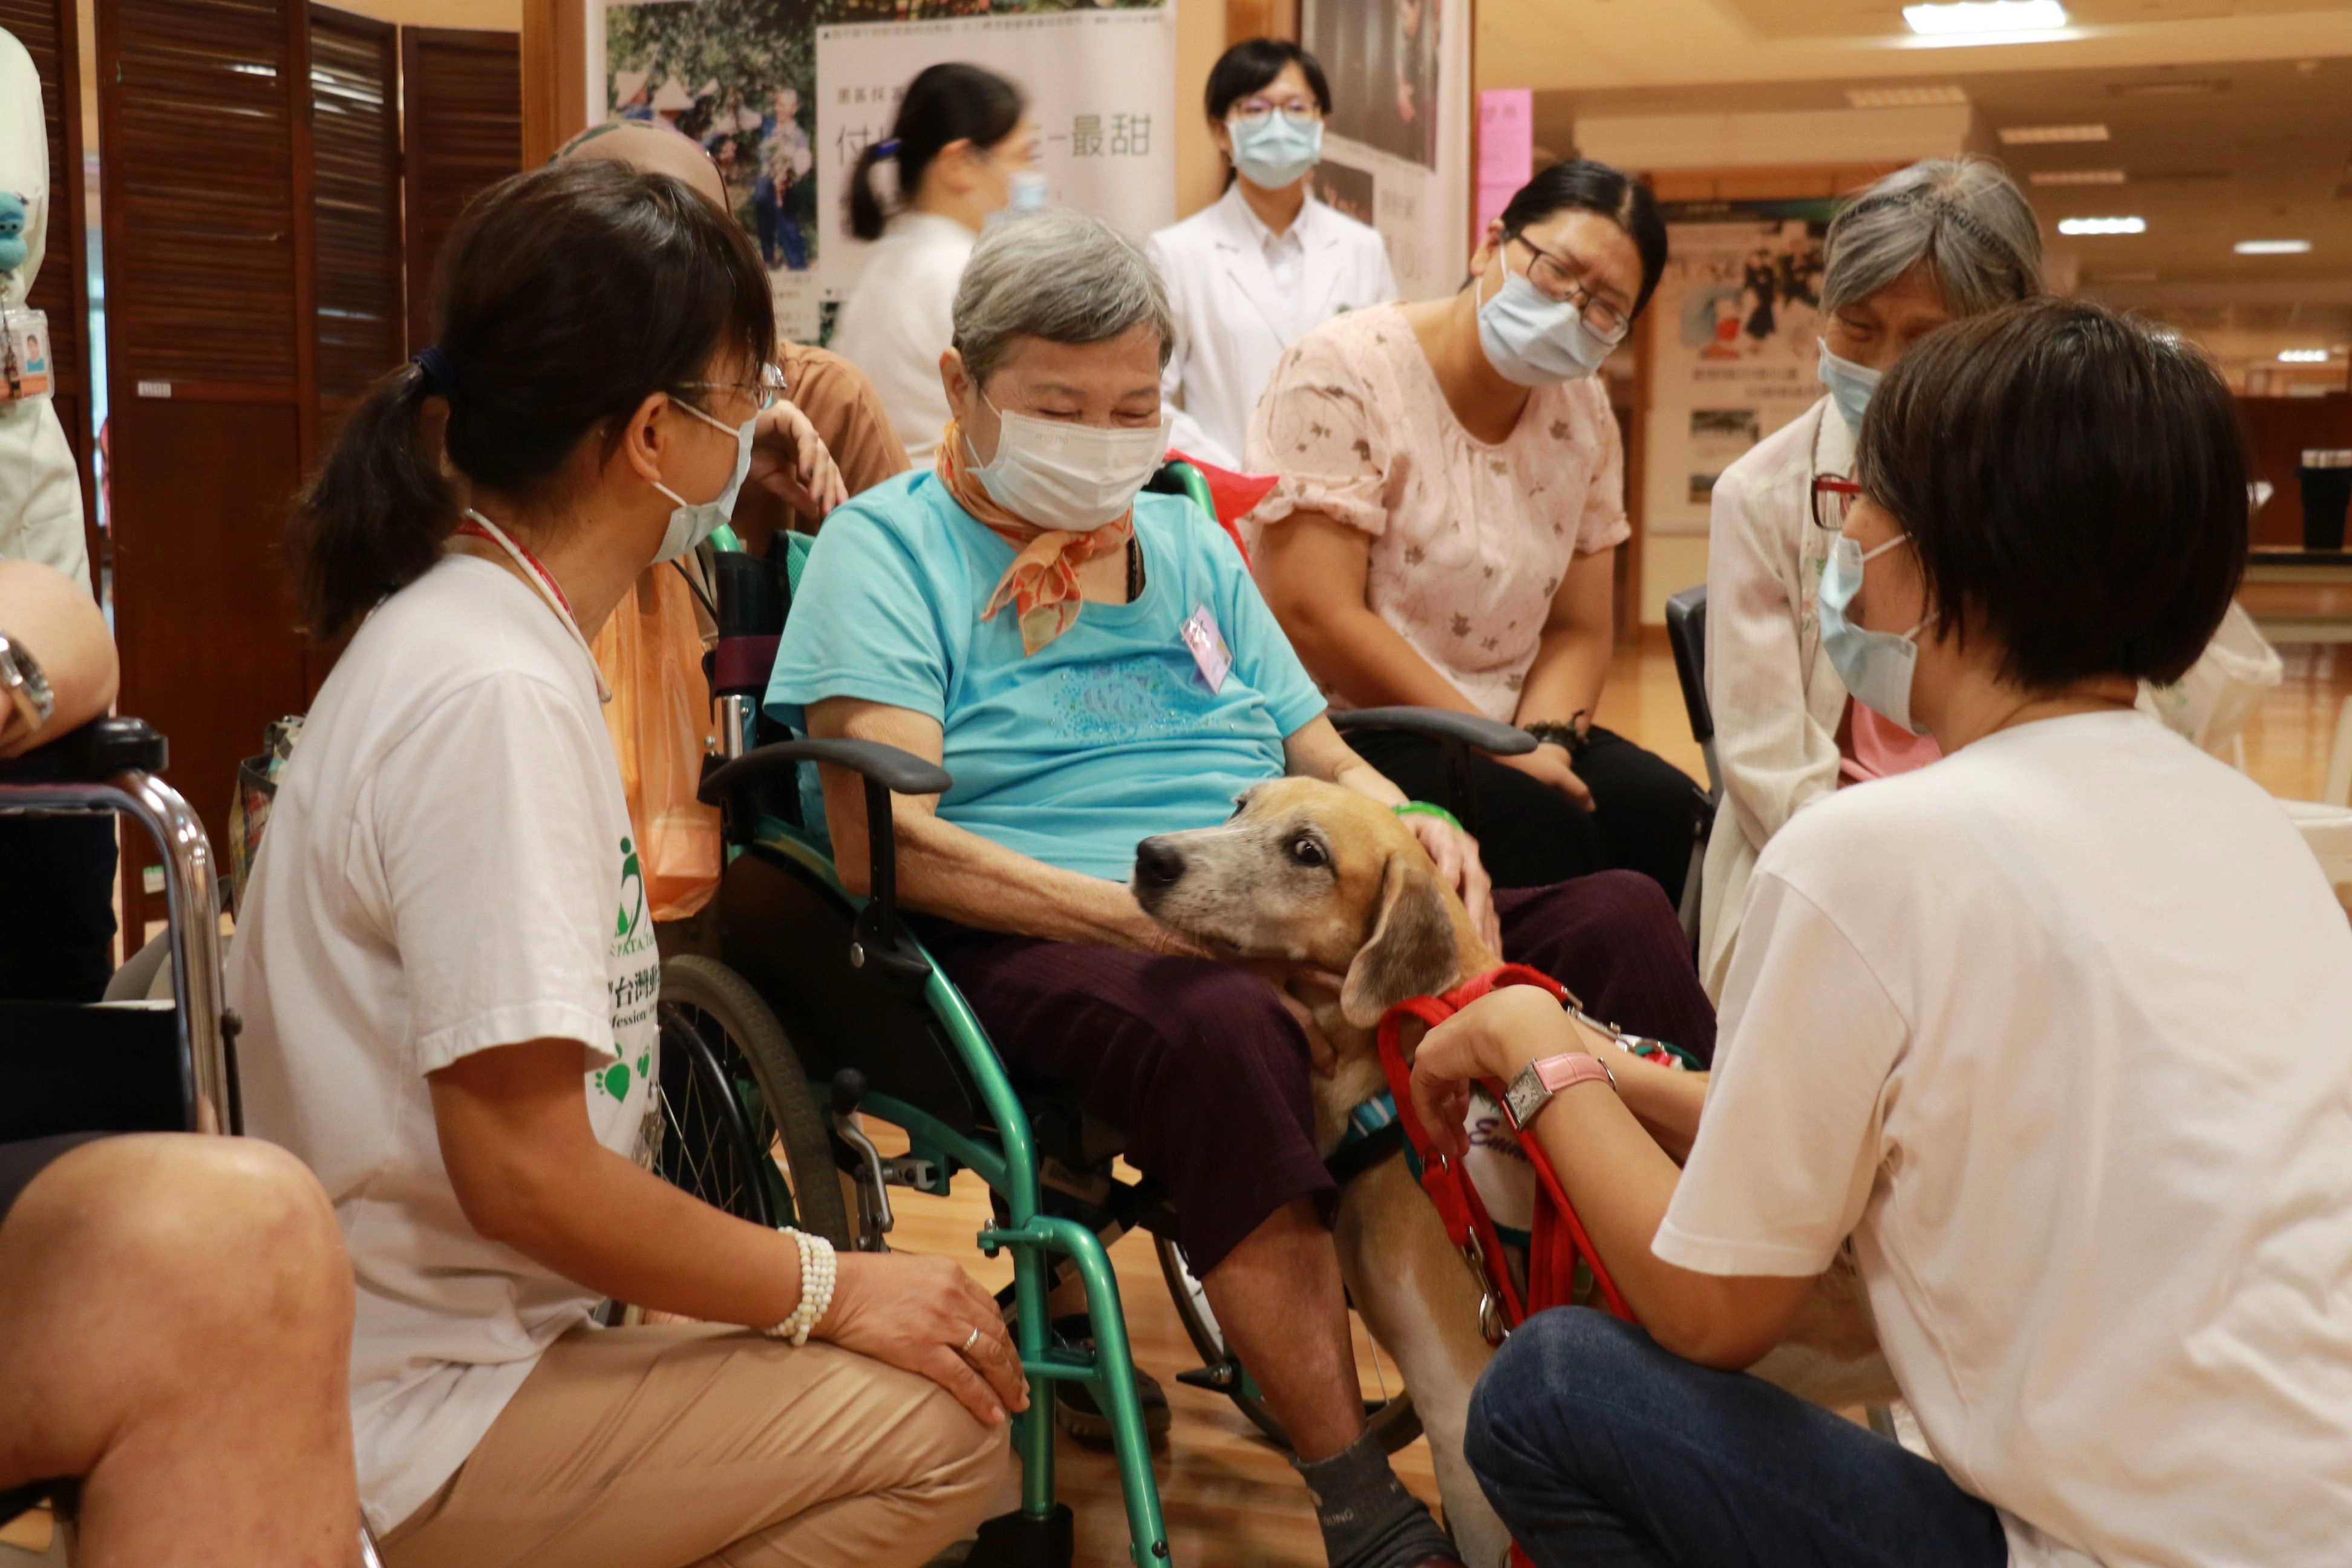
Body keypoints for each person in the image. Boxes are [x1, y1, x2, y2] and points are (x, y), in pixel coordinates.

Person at [768, 210, 1717, 1568]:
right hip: (1055, 927)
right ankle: (1358, 1497)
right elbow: (891, 848)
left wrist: (1423, 825)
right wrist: (1169, 929)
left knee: (1617, 914)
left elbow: (1323, 751)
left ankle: (1672, 1339)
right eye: (1059, 405)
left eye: (1133, 403)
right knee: (1230, 1030)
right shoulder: (889, 550)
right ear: (966, 388)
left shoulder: (1193, 548)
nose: (1105, 433)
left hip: (1281, 889)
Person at [1414, 299, 2352, 1568]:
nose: (1842, 537)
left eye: (1860, 499)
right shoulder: (2250, 832)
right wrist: (1622, 1074)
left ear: (1945, 548)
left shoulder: (1873, 852)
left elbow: (1710, 1311)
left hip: (2095, 1546)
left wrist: (1538, 1044)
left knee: (1554, 1388)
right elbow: (1953, 1124)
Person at [230, 161, 1016, 1566]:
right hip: (425, 1405)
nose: (758, 424)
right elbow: (526, 1177)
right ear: (654, 434)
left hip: (475, 1335)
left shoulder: (476, 633)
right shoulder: (490, 689)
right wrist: (827, 1285)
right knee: (944, 1435)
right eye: (739, 392)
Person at [1246, 160, 1705, 900]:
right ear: (1491, 244)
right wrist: (1503, 752)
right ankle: (1520, 1014)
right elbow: (1314, 613)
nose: (1571, 309)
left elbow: (1580, 629)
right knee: (1547, 831)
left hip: (1515, 727)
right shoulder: (1341, 369)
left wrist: (1547, 743)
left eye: (1604, 310)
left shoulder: (1583, 413)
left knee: (1669, 816)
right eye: (1558, 272)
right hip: (1357, 728)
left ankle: (1633, 1014)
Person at [1698, 157, 2042, 999]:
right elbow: (1767, 761)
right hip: (1831, 864)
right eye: (1857, 328)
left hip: (2020, 849)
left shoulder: (2052, 490)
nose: (1887, 366)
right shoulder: (1763, 495)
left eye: (1927, 341)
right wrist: (1898, 885)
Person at [1147, 38, 1396, 470]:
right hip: (1230, 500)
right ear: (1221, 131)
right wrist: (1231, 472)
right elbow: (1148, 396)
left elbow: (1392, 380)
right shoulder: (1178, 252)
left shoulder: (1362, 248)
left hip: (1347, 493)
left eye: (1297, 108)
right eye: (1257, 108)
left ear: (1321, 123)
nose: (1278, 124)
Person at [834, 62, 1037, 468]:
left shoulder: (884, 266)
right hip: (952, 510)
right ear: (958, 164)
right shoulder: (964, 275)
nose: (1030, 176)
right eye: (1022, 157)